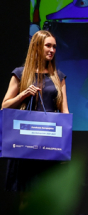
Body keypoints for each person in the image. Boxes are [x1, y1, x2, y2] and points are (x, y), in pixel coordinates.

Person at [3, 31, 69, 194]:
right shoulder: (20, 73)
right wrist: (23, 94)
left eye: (54, 46)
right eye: (48, 45)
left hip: (49, 143)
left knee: (49, 195)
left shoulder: (58, 77)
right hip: (25, 143)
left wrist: (64, 147)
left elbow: (65, 112)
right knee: (26, 195)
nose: (52, 50)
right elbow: (5, 106)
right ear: (36, 46)